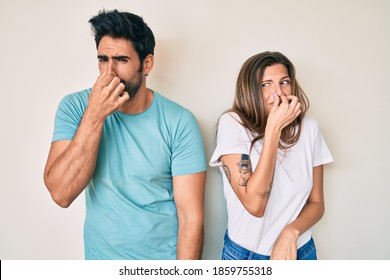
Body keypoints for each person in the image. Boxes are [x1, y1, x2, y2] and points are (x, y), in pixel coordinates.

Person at [43, 9, 207, 260]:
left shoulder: (180, 122)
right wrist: (94, 115)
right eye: (102, 59)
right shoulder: (75, 107)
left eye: (120, 60)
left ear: (147, 63)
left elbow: (191, 218)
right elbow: (61, 194)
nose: (108, 72)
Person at [209, 51, 333, 260]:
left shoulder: (309, 128)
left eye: (284, 82)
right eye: (266, 84)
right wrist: (273, 130)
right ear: (250, 90)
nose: (278, 92)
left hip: (299, 250)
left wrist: (290, 232)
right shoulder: (232, 124)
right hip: (246, 255)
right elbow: (255, 205)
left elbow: (317, 204)